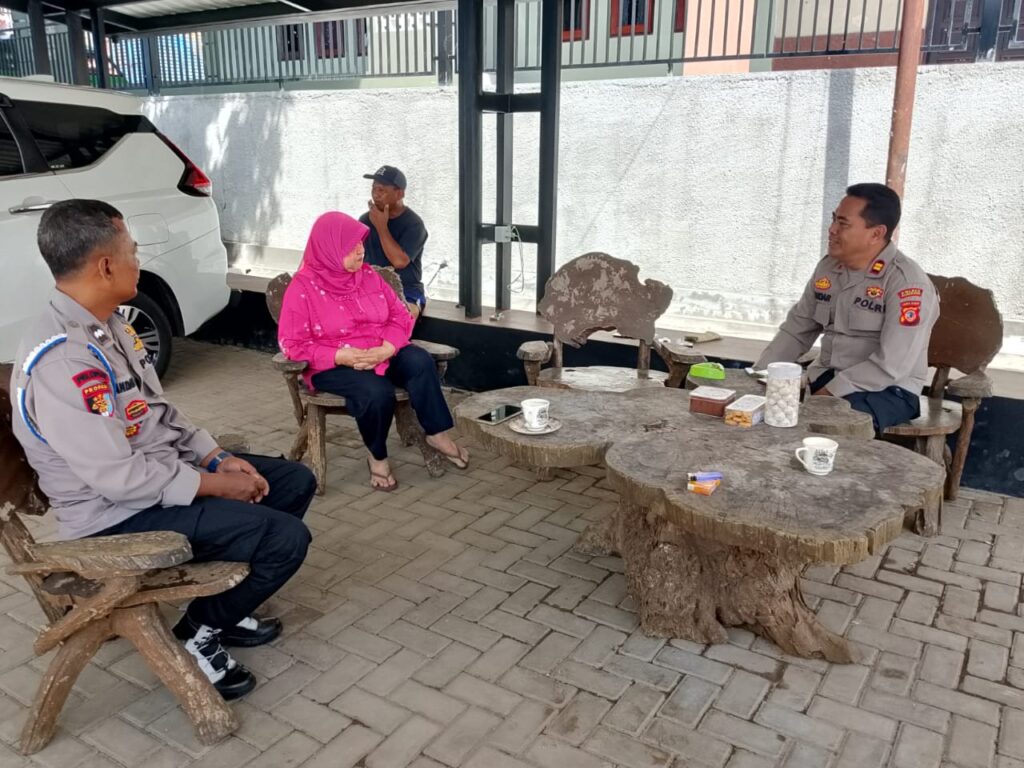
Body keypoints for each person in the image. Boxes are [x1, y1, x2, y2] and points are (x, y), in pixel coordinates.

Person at [10, 199, 315, 701]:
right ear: (105, 266)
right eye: (132, 250)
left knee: (292, 482)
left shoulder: (109, 325)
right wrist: (217, 486)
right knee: (285, 540)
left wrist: (216, 458)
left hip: (156, 476)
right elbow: (119, 480)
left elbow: (158, 410)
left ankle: (226, 604)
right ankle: (199, 631)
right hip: (114, 515)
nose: (138, 258)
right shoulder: (64, 360)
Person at [277, 211, 467, 491]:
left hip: (381, 350)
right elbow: (292, 345)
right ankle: (377, 455)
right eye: (350, 246)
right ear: (329, 249)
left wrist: (387, 348)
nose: (360, 250)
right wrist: (341, 356)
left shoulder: (368, 276)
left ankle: (436, 432)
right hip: (333, 363)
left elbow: (400, 316)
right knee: (376, 392)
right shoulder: (303, 287)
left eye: (361, 243)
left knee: (419, 361)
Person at [754, 183, 939, 433]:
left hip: (887, 390)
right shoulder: (829, 268)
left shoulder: (907, 283)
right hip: (827, 377)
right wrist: (760, 375)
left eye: (843, 223)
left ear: (876, 234)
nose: (831, 229)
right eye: (834, 219)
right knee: (759, 413)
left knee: (821, 428)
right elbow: (797, 329)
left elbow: (892, 365)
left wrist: (827, 394)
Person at [358, 165, 429, 318]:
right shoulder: (365, 220)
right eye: (373, 189)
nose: (375, 195)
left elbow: (399, 261)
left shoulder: (414, 224)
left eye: (381, 190)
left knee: (401, 316)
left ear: (399, 194)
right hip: (371, 288)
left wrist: (381, 227)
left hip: (406, 290)